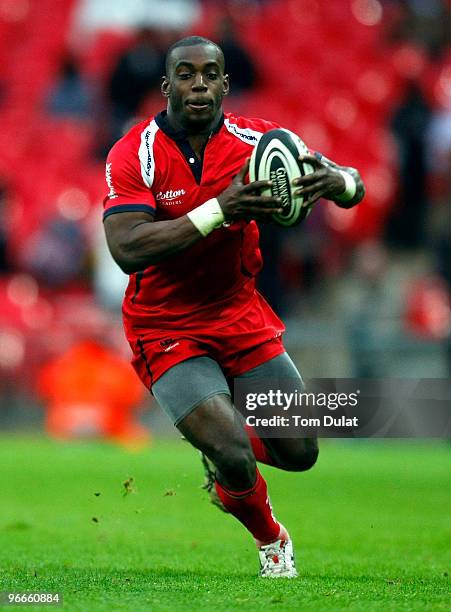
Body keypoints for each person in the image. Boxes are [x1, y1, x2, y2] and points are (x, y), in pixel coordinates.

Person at [102, 36, 365, 578]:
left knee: (300, 450)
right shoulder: (134, 154)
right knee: (234, 450)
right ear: (166, 85)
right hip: (165, 325)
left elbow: (355, 185)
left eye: (209, 74)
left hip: (239, 314)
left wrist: (333, 181)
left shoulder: (259, 143)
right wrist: (218, 210)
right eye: (185, 74)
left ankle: (221, 459)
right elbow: (127, 250)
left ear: (225, 82)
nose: (198, 84)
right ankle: (272, 541)